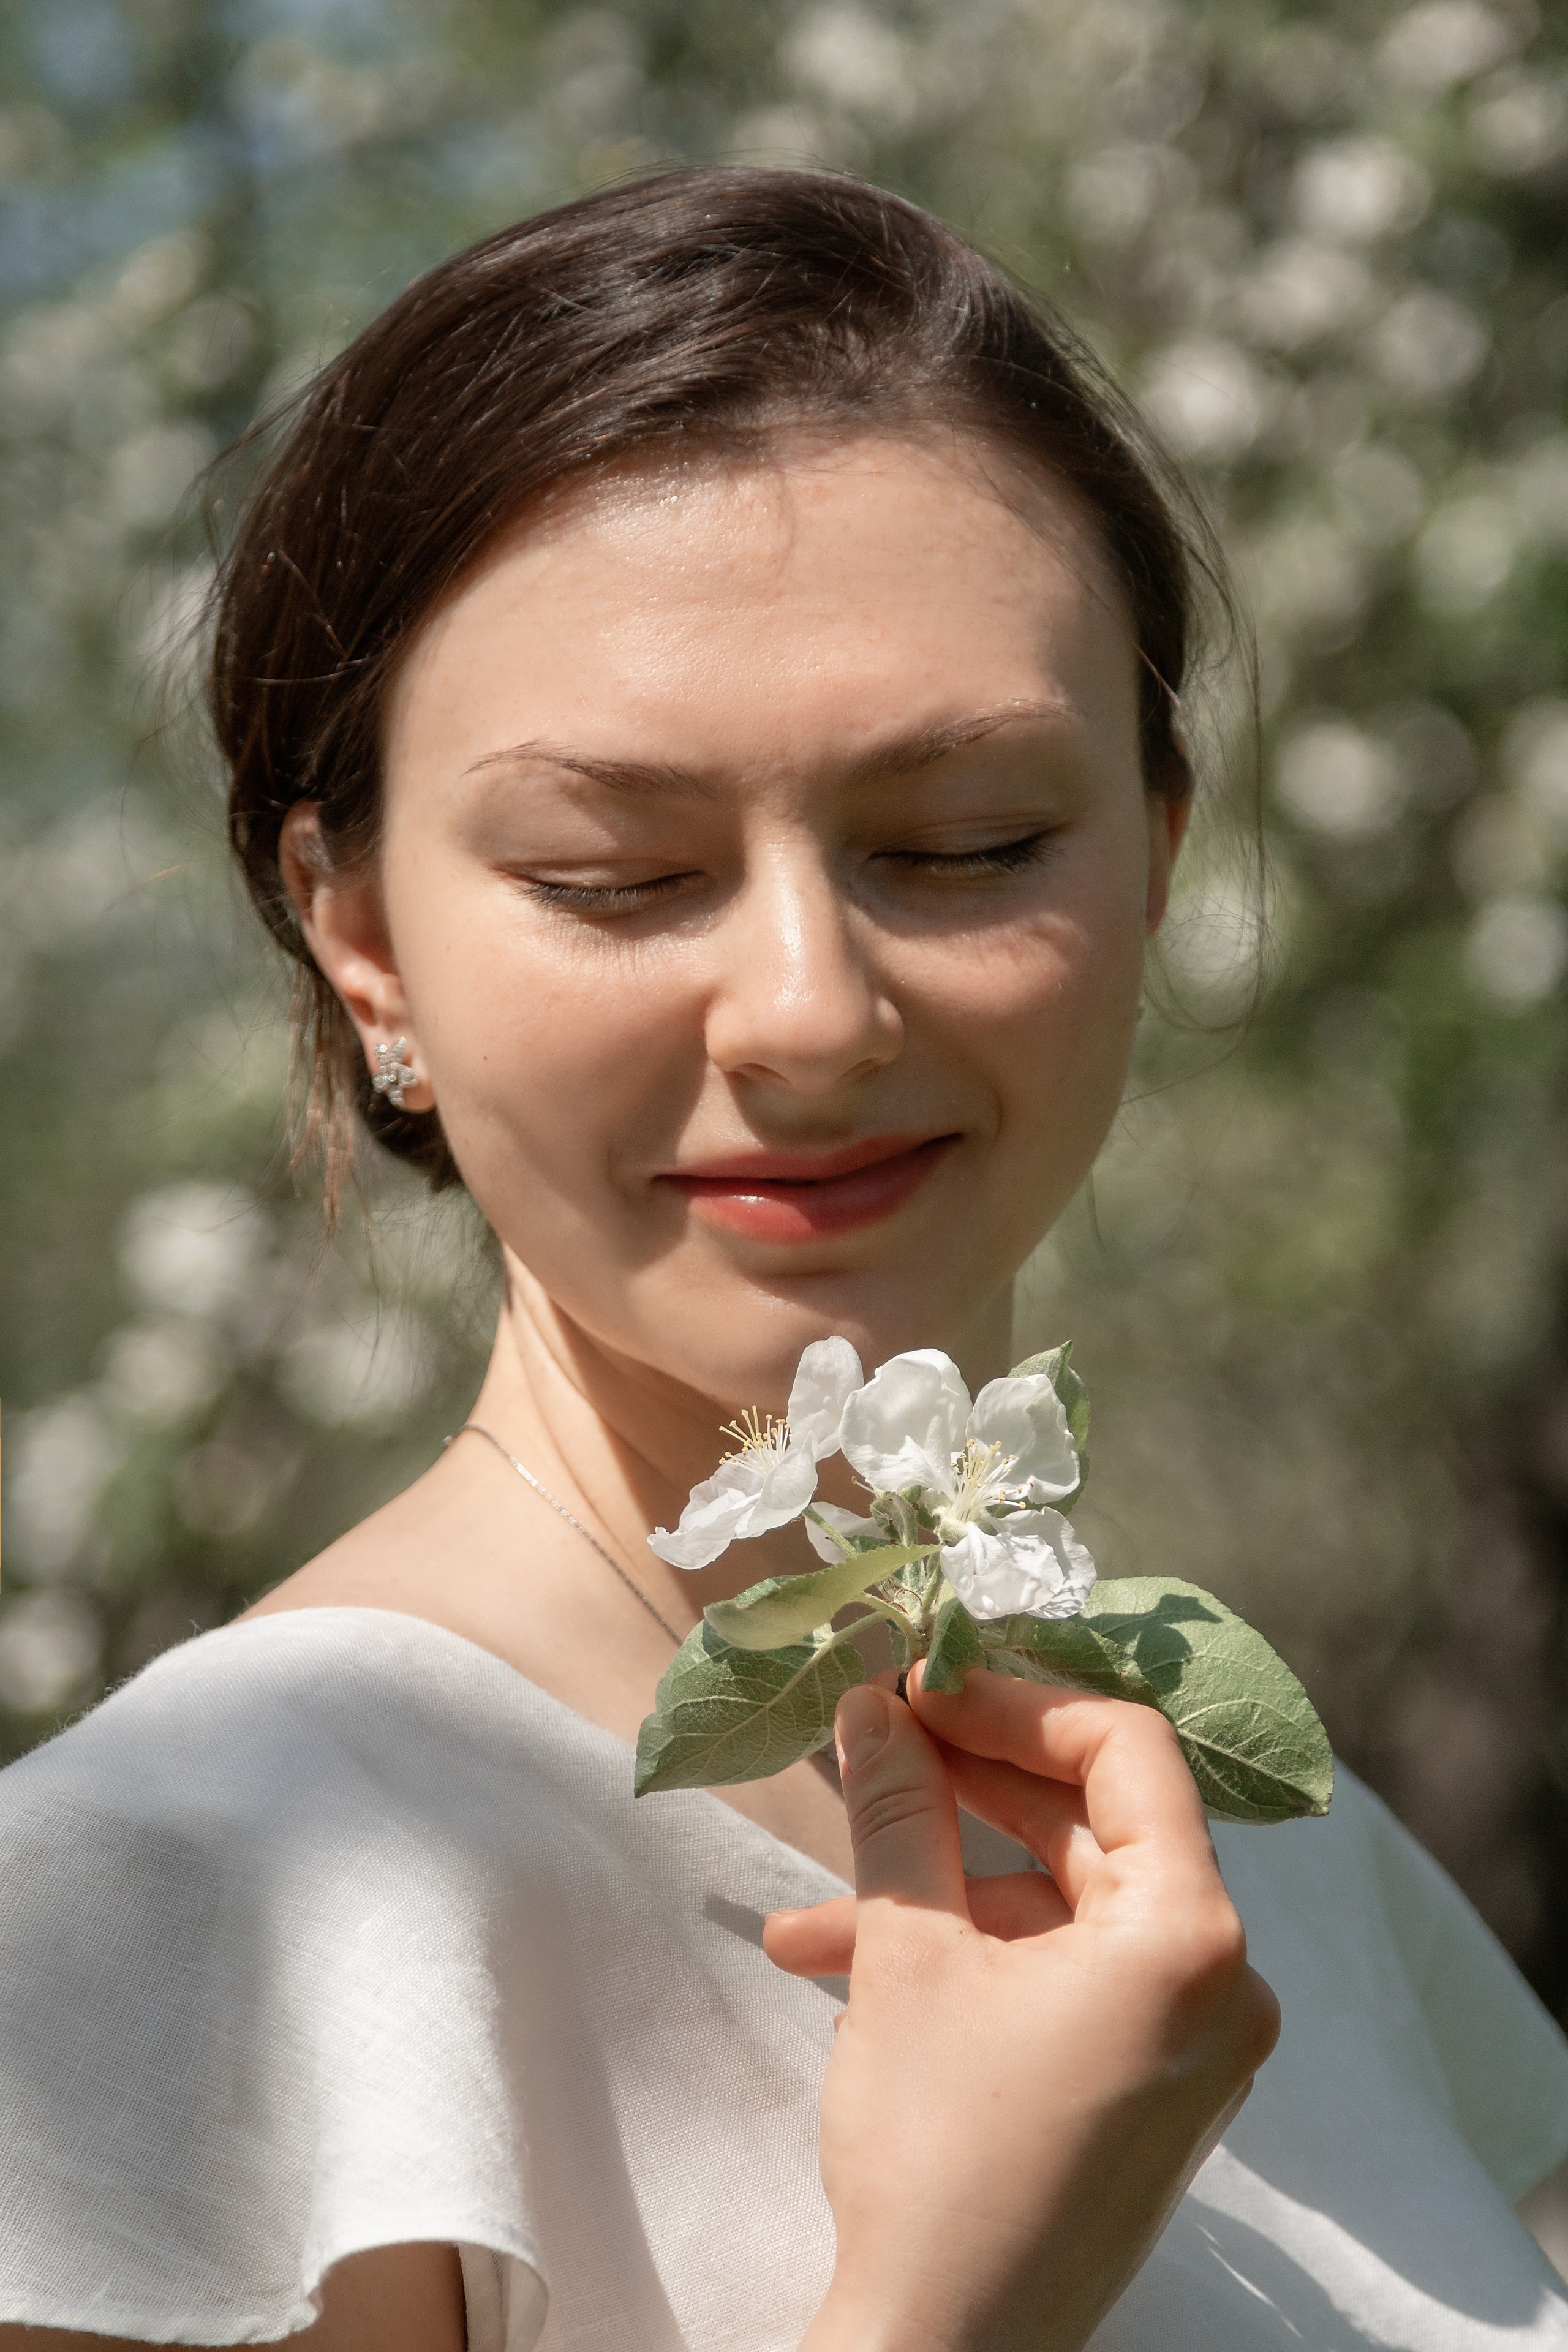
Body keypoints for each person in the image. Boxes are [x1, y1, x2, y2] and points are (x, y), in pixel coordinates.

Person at [1, 166, 1566, 2352]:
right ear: (364, 948)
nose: (813, 1013)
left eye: (969, 845)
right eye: (615, 874)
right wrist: (947, 2303)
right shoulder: (177, 1913)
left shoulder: (1273, 1839)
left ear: (1155, 862)